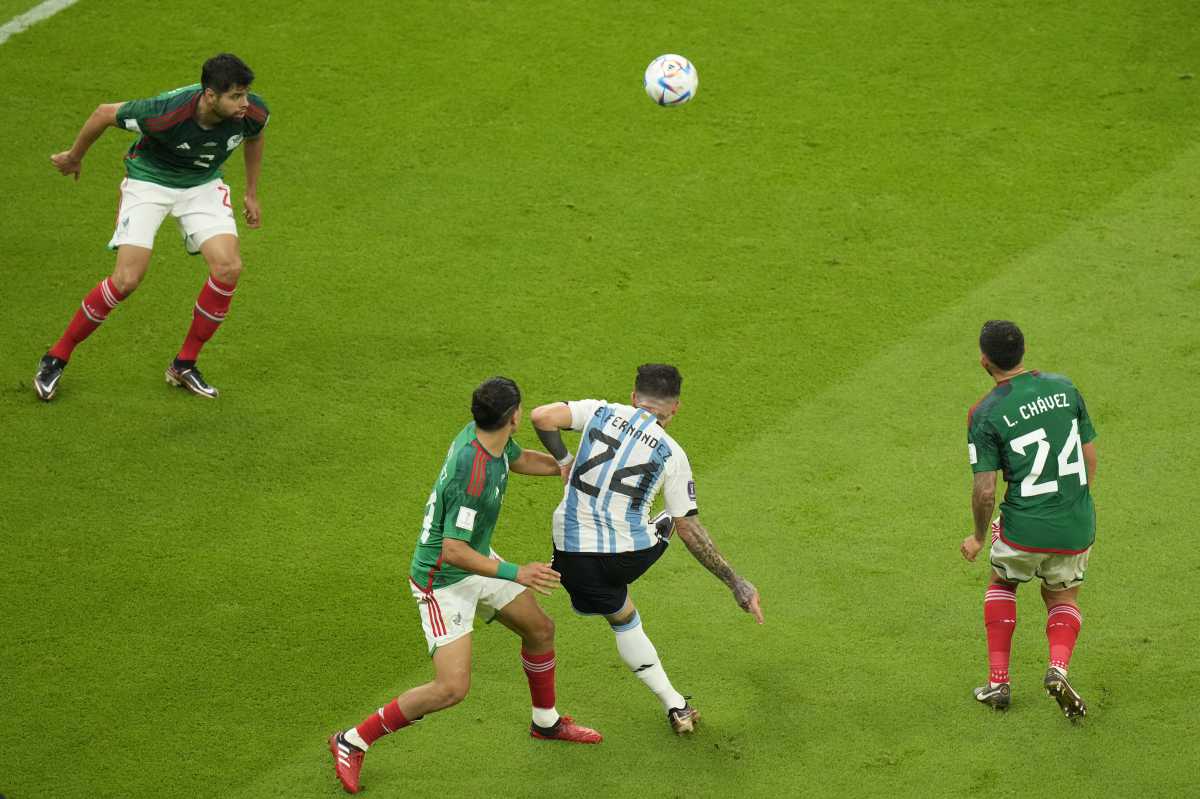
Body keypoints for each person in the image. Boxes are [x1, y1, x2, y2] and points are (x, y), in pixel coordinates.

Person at [329, 377, 601, 795]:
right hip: (443, 580)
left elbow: (516, 458)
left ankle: (545, 723)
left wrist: (565, 468)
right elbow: (454, 551)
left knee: (540, 630)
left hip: (477, 560)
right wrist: (517, 572)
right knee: (451, 688)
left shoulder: (486, 440)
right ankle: (353, 739)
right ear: (513, 417)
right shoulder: (472, 476)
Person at [530, 363, 763, 735]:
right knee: (675, 516)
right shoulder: (673, 453)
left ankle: (674, 701)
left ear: (634, 396)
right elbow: (691, 531)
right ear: (675, 409)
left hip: (570, 555)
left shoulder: (600, 411)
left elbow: (542, 416)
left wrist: (565, 462)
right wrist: (736, 582)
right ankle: (675, 705)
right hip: (626, 559)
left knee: (622, 619)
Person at [36, 53, 269, 401]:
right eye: (235, 96)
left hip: (202, 184)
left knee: (228, 268)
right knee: (127, 280)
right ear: (209, 95)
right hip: (150, 181)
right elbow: (103, 113)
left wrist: (251, 193)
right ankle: (56, 356)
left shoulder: (250, 113)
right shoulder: (164, 112)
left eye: (246, 94)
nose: (244, 104)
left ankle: (184, 364)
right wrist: (74, 156)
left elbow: (255, 136)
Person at [960, 320, 1098, 720]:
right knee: (1061, 596)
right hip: (1075, 524)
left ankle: (998, 684)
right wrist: (1075, 504)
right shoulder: (1065, 388)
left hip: (1023, 528)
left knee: (1003, 582)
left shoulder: (985, 412)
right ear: (1023, 350)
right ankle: (1057, 669)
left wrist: (977, 536)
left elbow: (986, 491)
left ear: (984, 360)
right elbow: (1089, 457)